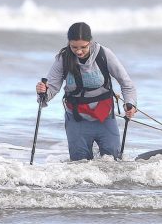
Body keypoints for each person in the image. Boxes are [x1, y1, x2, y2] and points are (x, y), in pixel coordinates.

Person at [36, 22, 137, 160]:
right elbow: (51, 88)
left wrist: (130, 104)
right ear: (69, 43)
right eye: (74, 47)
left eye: (83, 47)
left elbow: (126, 84)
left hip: (104, 117)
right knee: (79, 166)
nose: (78, 51)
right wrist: (43, 92)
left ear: (90, 41)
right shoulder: (63, 59)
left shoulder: (104, 54)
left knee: (112, 162)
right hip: (77, 119)